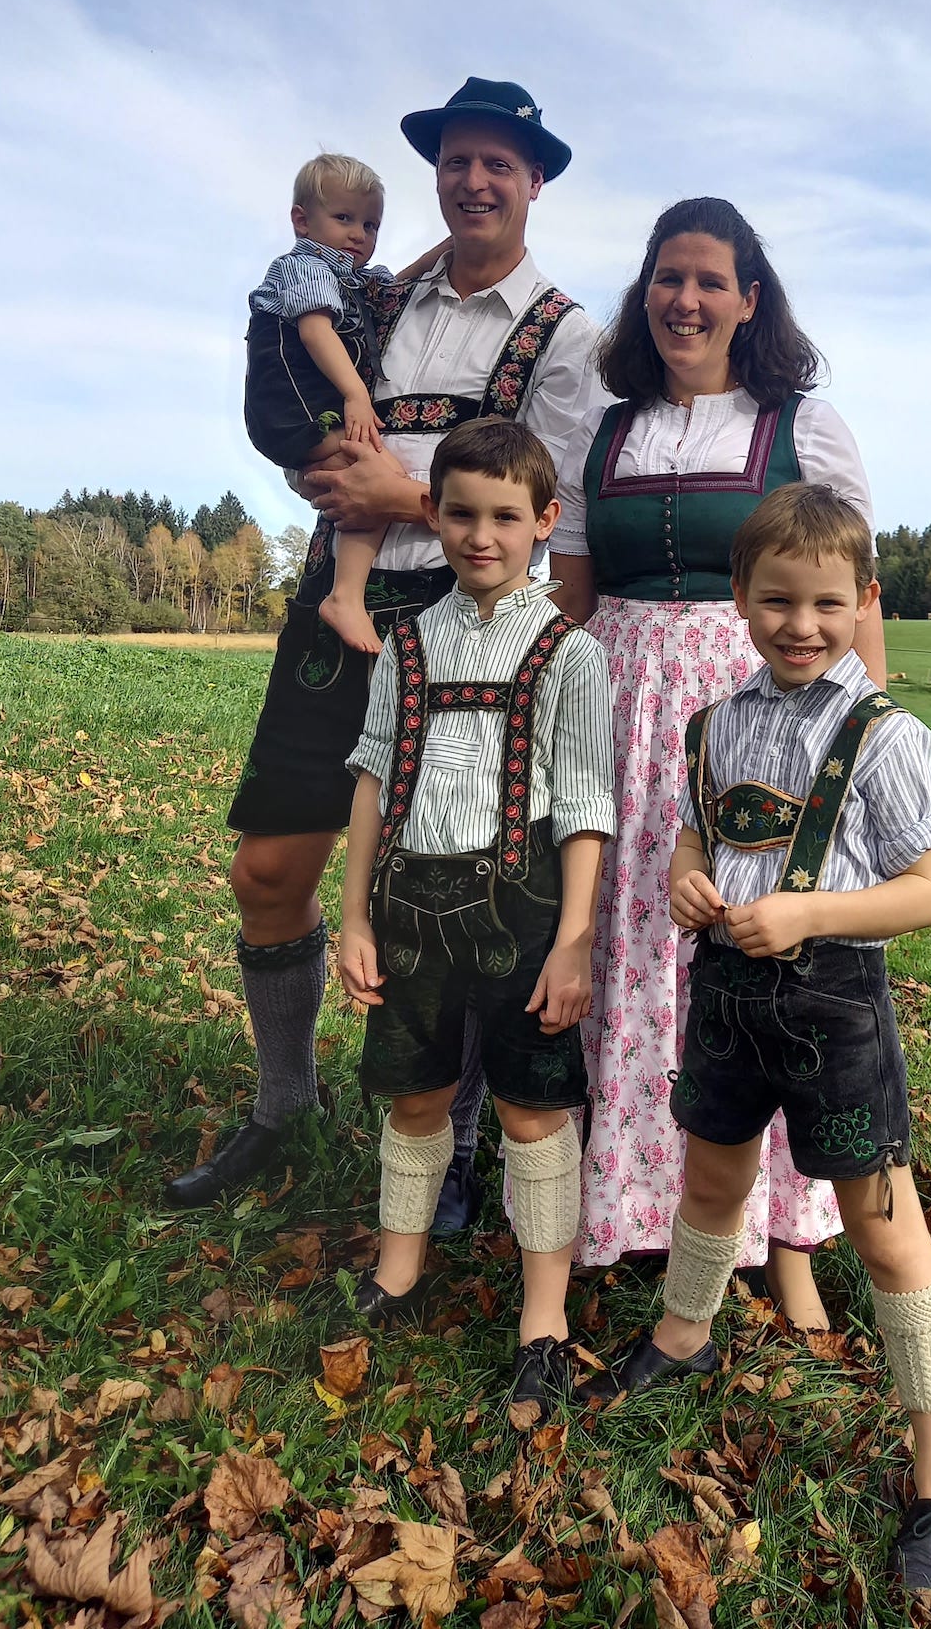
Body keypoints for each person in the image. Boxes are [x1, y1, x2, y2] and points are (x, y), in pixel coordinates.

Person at [165, 78, 599, 1212]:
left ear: (535, 179)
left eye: (498, 163)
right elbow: (301, 384)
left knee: (441, 902)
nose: (474, 180)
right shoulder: (385, 296)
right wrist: (311, 462)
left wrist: (402, 496)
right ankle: (281, 1100)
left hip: (457, 632)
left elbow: (549, 521)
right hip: (335, 602)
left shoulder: (565, 335)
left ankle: (450, 1142)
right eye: (456, 160)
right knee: (268, 867)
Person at [579, 483, 931, 1605]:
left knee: (884, 1224)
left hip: (835, 1002)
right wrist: (686, 876)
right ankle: (684, 1330)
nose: (802, 624)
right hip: (725, 996)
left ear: (863, 604)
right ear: (741, 602)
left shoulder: (886, 734)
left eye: (826, 603)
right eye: (778, 600)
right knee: (711, 1178)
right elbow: (698, 829)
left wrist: (806, 914)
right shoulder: (721, 721)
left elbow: (930, 890)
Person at [548, 197, 888, 1328]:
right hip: (621, 710)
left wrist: (863, 742)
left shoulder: (803, 425)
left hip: (769, 714)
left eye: (709, 280)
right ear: (644, 291)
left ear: (751, 296)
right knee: (634, 946)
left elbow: (852, 594)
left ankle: (788, 1234)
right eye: (665, 277)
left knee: (768, 965)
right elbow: (576, 601)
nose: (684, 299)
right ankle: (641, 1209)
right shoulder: (601, 430)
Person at [337, 419, 614, 1423]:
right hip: (408, 901)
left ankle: (545, 1317)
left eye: (506, 515)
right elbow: (372, 778)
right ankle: (399, 1267)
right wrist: (353, 912)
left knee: (532, 1109)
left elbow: (585, 803)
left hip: (524, 904)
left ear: (545, 520)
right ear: (436, 514)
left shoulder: (569, 654)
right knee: (415, 1093)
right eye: (460, 511)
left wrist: (576, 937)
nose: (480, 533)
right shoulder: (404, 638)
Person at [243, 153, 407, 657]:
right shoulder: (304, 267)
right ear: (301, 220)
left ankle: (346, 595)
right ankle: (344, 597)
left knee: (378, 479)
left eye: (371, 224)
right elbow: (315, 332)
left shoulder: (352, 278)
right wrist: (357, 393)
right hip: (292, 410)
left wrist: (452, 248)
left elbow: (400, 283)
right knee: (380, 477)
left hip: (309, 411)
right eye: (344, 218)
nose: (359, 234)